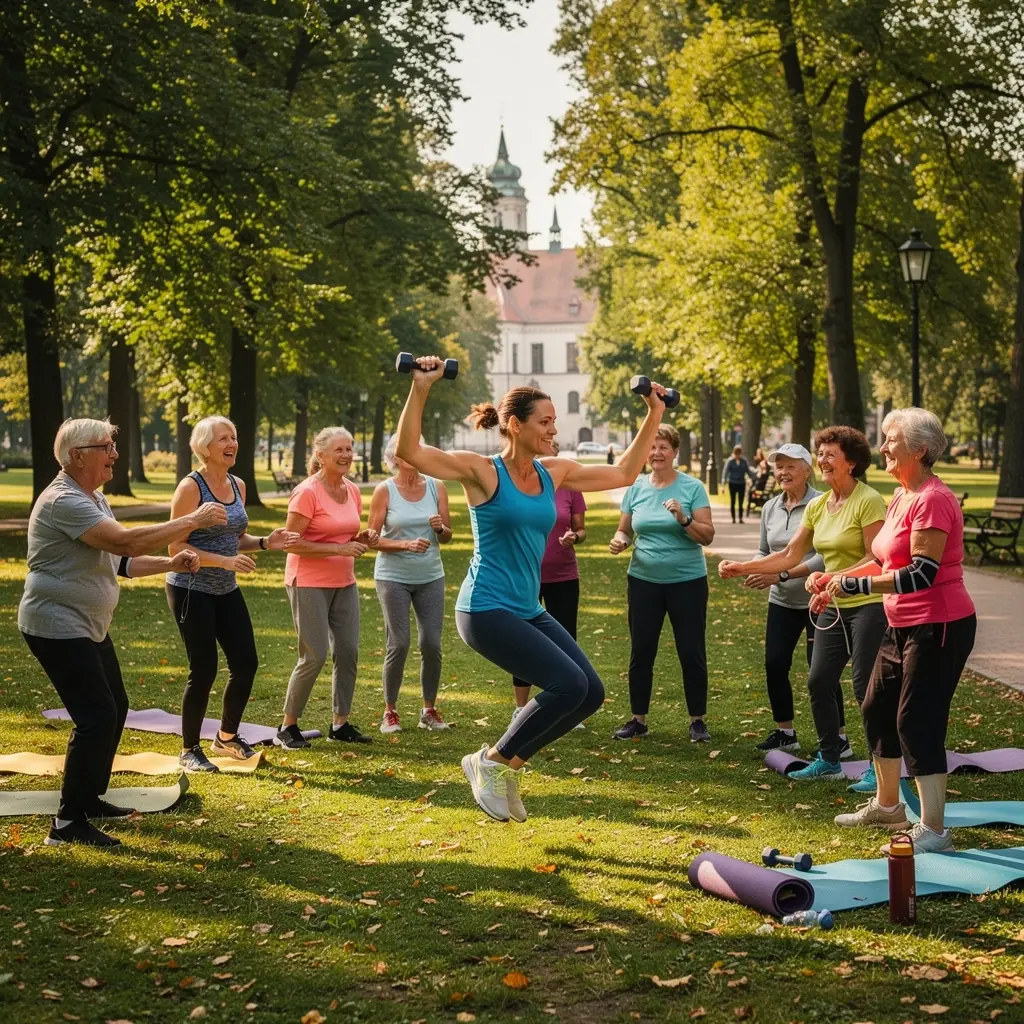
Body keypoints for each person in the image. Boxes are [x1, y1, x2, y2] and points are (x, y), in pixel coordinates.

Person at [395, 356, 668, 823]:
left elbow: (623, 473)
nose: (552, 430)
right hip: (485, 608)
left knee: (591, 692)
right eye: (544, 422)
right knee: (568, 685)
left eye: (554, 422)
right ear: (514, 426)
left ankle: (503, 765)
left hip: (525, 606)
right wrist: (421, 387)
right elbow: (412, 451)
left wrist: (654, 413)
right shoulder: (482, 472)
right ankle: (493, 762)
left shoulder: (553, 472)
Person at [20, 418, 220, 847]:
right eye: (106, 446)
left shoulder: (94, 498)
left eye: (113, 444)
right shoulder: (63, 500)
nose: (114, 454)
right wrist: (192, 520)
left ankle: (89, 798)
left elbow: (121, 562)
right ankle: (67, 823)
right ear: (77, 456)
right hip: (56, 624)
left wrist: (170, 563)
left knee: (117, 705)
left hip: (86, 624)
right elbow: (127, 543)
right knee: (96, 717)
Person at [827, 409, 977, 853]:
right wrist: (834, 579)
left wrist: (857, 585)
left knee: (917, 720)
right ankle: (888, 804)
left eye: (891, 439)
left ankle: (934, 831)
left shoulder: (933, 499)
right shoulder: (900, 496)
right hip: (902, 621)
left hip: (940, 623)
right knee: (876, 707)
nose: (883, 447)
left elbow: (921, 573)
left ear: (921, 450)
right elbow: (886, 561)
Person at [719, 426, 887, 781]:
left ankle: (879, 765)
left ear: (851, 463)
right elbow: (789, 554)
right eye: (821, 453)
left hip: (867, 603)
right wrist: (742, 567)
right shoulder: (819, 505)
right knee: (819, 680)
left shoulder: (868, 500)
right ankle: (829, 757)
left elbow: (877, 557)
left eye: (830, 455)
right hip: (829, 604)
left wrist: (833, 579)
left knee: (863, 687)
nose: (823, 460)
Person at [166, 416, 295, 772]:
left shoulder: (238, 484)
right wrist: (224, 561)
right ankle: (189, 750)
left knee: (246, 664)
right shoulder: (191, 488)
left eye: (234, 437)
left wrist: (268, 542)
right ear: (205, 447)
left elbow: (237, 541)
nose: (232, 443)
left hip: (225, 588)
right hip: (191, 588)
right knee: (203, 669)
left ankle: (226, 738)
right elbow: (175, 546)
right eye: (223, 438)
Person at [608, 424, 716, 742]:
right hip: (643, 580)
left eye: (663, 447)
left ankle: (697, 720)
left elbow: (707, 535)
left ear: (674, 452)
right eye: (652, 447)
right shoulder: (636, 488)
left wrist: (683, 518)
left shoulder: (692, 487)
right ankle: (638, 719)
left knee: (691, 650)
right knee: (641, 650)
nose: (656, 453)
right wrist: (619, 541)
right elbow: (625, 529)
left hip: (688, 581)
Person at [275, 427, 379, 749]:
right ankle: (287, 726)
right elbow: (291, 544)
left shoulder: (352, 489)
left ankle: (340, 722)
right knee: (314, 655)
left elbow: (343, 536)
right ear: (320, 455)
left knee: (348, 652)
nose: (347, 455)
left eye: (350, 449)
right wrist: (338, 550)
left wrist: (360, 539)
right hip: (308, 582)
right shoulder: (307, 492)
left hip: (343, 582)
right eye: (339, 450)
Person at [742, 443, 838, 753]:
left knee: (820, 670)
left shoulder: (823, 504)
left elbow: (824, 556)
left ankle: (839, 738)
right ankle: (786, 732)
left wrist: (781, 574)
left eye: (791, 465)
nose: (783, 471)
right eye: (778, 466)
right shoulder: (771, 507)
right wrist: (749, 568)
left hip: (817, 599)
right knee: (774, 664)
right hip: (781, 600)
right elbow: (765, 550)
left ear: (808, 470)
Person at [368, 435, 453, 734]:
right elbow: (372, 539)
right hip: (393, 577)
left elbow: (447, 536)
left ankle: (428, 710)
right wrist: (404, 544)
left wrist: (440, 528)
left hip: (431, 575)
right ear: (395, 458)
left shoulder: (436, 486)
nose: (415, 456)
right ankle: (390, 711)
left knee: (431, 643)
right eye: (408, 452)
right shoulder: (384, 491)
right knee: (399, 643)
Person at [509, 440, 588, 730]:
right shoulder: (519, 485)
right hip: (525, 574)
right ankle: (520, 708)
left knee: (566, 639)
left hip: (564, 574)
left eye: (551, 451)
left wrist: (575, 537)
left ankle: (569, 708)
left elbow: (581, 529)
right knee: (522, 641)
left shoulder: (569, 486)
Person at [722, 445, 752, 524]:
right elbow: (725, 472)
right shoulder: (730, 461)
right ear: (734, 453)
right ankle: (733, 518)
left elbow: (748, 471)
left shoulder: (744, 461)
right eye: (736, 454)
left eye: (739, 454)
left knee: (741, 501)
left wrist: (751, 478)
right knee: (733, 501)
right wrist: (723, 484)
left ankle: (740, 518)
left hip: (741, 483)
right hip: (732, 483)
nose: (738, 455)